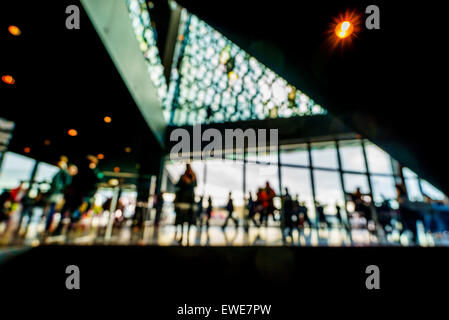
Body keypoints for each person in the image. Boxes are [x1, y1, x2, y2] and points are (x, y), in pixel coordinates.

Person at [44, 156, 73, 234]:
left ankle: (49, 227)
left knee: (52, 211)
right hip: (55, 193)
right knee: (51, 211)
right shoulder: (61, 172)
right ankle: (48, 226)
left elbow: (67, 182)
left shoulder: (64, 172)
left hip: (57, 194)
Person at [174, 163, 197, 244]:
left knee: (181, 219)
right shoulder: (194, 177)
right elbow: (195, 185)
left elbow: (177, 185)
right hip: (190, 201)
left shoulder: (183, 177)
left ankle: (182, 235)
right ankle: (186, 236)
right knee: (189, 219)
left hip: (183, 201)